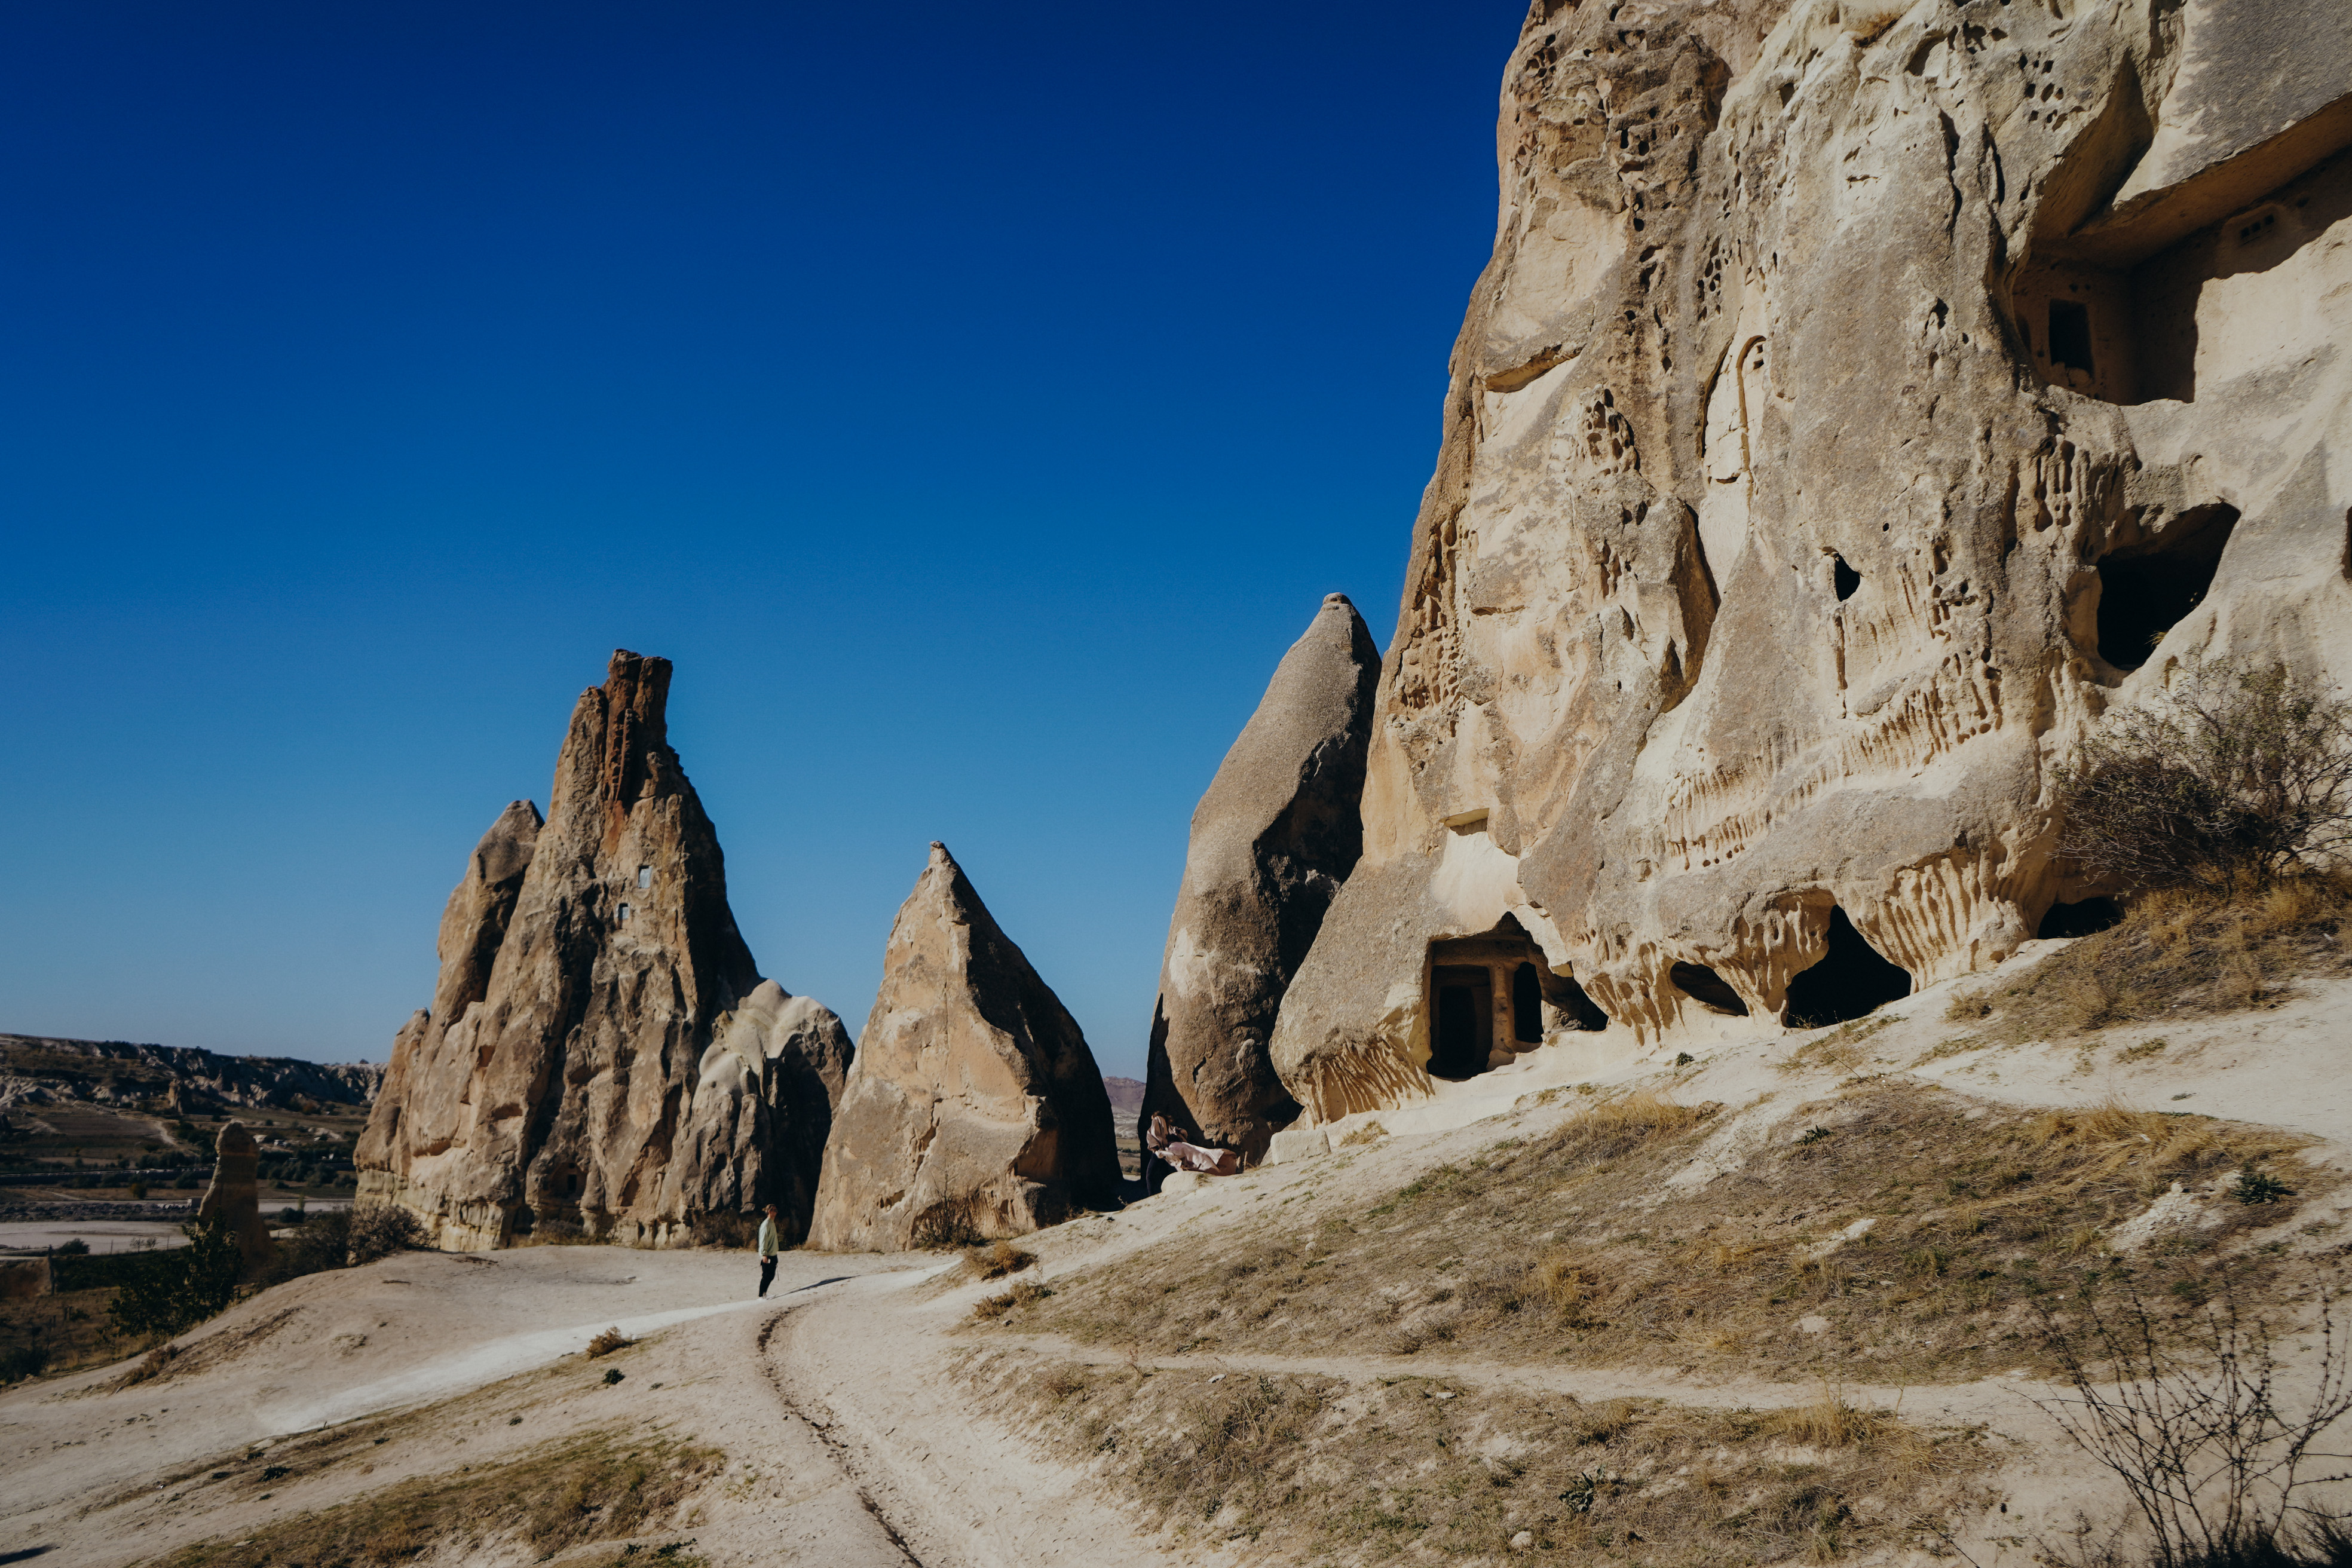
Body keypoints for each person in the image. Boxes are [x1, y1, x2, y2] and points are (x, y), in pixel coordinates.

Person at [1145, 1113, 1241, 1178]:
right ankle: (1222, 1166)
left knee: (1150, 1174)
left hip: (1170, 1149)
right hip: (1180, 1147)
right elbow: (1183, 1132)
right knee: (1201, 1154)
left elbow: (1154, 1135)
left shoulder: (1157, 1123)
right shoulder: (1171, 1129)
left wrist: (1158, 1149)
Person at [755, 1203, 780, 1297]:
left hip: (773, 1254)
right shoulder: (766, 1225)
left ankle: (765, 1293)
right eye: (775, 1210)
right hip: (768, 1254)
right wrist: (764, 1255)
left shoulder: (772, 1223)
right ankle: (761, 1296)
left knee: (771, 1275)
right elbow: (763, 1240)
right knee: (766, 1276)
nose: (776, 1212)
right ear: (770, 1212)